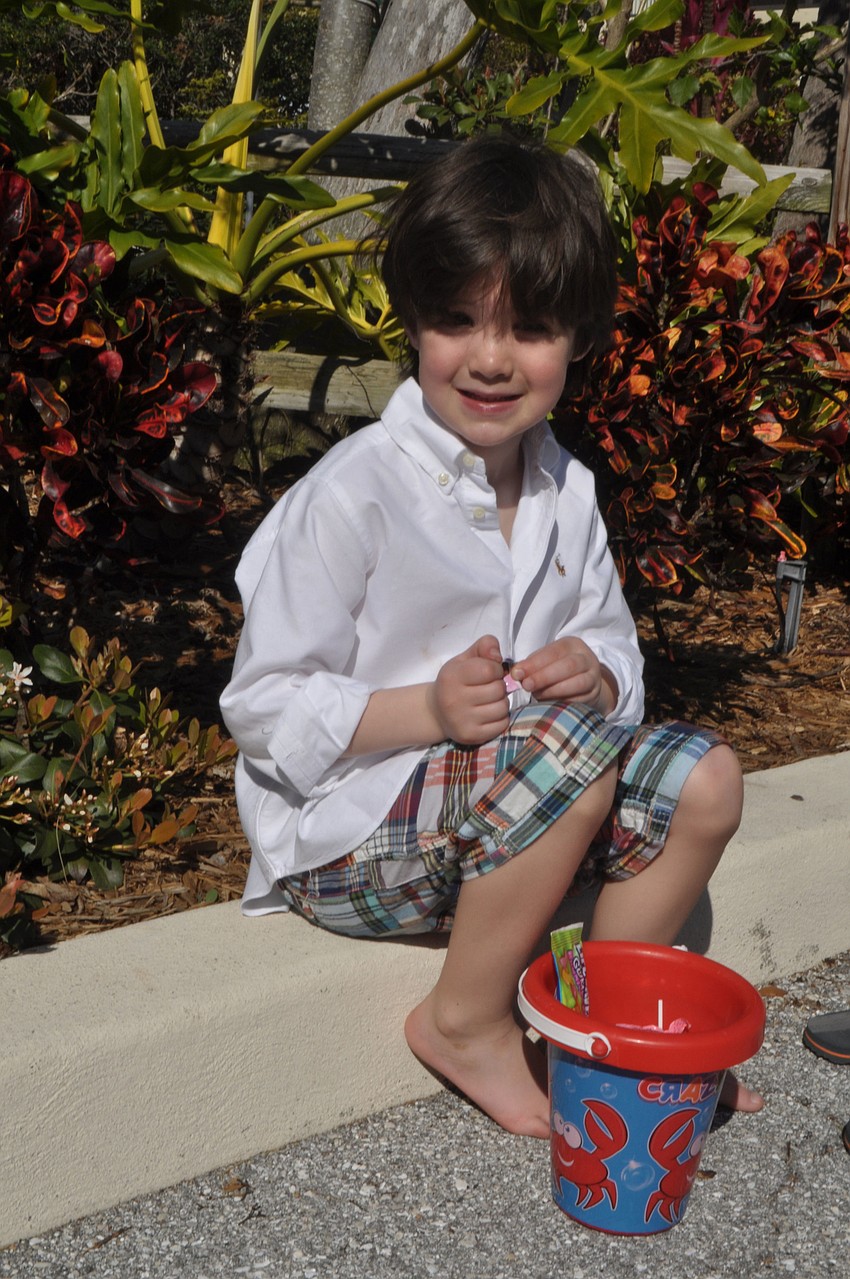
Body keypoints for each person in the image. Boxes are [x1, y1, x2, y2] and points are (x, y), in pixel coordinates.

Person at [220, 134, 762, 1138]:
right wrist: (422, 709)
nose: (491, 359)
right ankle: (465, 1019)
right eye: (456, 321)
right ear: (413, 323)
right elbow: (263, 708)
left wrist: (596, 675)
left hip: (509, 823)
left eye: (534, 328)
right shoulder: (352, 494)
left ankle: (593, 1029)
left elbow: (616, 657)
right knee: (568, 753)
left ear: (580, 338)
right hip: (347, 840)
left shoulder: (566, 491)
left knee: (705, 776)